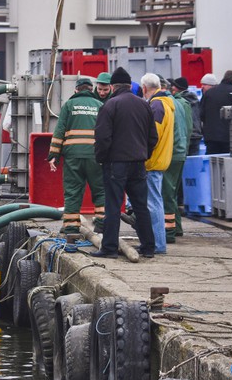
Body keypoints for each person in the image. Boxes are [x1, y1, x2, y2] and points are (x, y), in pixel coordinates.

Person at [93, 67, 158, 259]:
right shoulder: (144, 104)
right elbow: (152, 137)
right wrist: (143, 154)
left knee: (113, 206)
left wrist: (102, 159)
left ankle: (109, 248)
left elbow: (103, 138)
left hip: (116, 164)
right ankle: (148, 247)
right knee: (140, 206)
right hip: (138, 163)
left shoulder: (110, 106)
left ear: (113, 87)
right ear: (130, 85)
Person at [48, 77, 105, 235]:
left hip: (73, 156)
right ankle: (101, 223)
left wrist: (54, 155)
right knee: (100, 190)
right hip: (95, 156)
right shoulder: (100, 106)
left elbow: (59, 131)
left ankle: (71, 227)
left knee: (73, 191)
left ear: (76, 90)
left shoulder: (69, 105)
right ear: (91, 90)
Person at [141, 73, 174, 255]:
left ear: (144, 88)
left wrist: (141, 153)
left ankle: (158, 244)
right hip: (160, 160)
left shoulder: (157, 106)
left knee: (153, 204)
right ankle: (156, 243)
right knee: (155, 202)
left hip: (152, 162)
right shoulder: (165, 104)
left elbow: (152, 136)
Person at [164, 79, 192, 243]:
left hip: (171, 153)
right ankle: (177, 227)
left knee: (167, 193)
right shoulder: (181, 104)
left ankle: (171, 230)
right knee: (172, 192)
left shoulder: (167, 104)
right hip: (180, 152)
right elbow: (188, 129)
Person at [199, 70, 232, 154]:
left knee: (213, 162)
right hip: (231, 137)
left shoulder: (209, 93)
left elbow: (201, 114)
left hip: (211, 137)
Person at [169, 77, 202, 156]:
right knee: (194, 163)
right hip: (197, 135)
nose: (172, 88)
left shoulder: (179, 101)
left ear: (177, 88)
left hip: (186, 135)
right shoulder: (195, 99)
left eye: (173, 86)